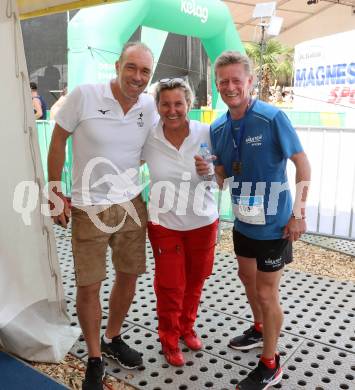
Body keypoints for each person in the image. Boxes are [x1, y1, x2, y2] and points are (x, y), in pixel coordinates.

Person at [195, 51, 311, 390]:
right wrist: (206, 172)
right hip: (244, 223)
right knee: (246, 277)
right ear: (217, 85)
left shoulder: (271, 118)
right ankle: (259, 328)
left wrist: (298, 214)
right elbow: (221, 176)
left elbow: (302, 165)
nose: (230, 87)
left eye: (236, 80)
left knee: (266, 292)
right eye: (223, 82)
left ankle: (270, 362)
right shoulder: (218, 127)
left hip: (275, 224)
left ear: (249, 82)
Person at [48, 41, 158, 390]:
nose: (137, 77)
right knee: (89, 284)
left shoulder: (149, 106)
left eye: (145, 72)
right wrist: (54, 193)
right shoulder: (84, 95)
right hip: (87, 207)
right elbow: (57, 141)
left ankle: (112, 337)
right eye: (132, 68)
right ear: (117, 66)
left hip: (131, 204)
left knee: (128, 276)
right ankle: (95, 358)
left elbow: (147, 150)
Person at [142, 78, 219, 366]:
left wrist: (210, 170)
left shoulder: (206, 132)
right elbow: (123, 162)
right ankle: (169, 339)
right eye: (165, 104)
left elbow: (221, 177)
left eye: (178, 103)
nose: (172, 110)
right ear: (157, 106)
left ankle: (187, 327)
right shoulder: (148, 137)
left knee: (196, 281)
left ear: (189, 104)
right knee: (171, 285)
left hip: (203, 222)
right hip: (164, 224)